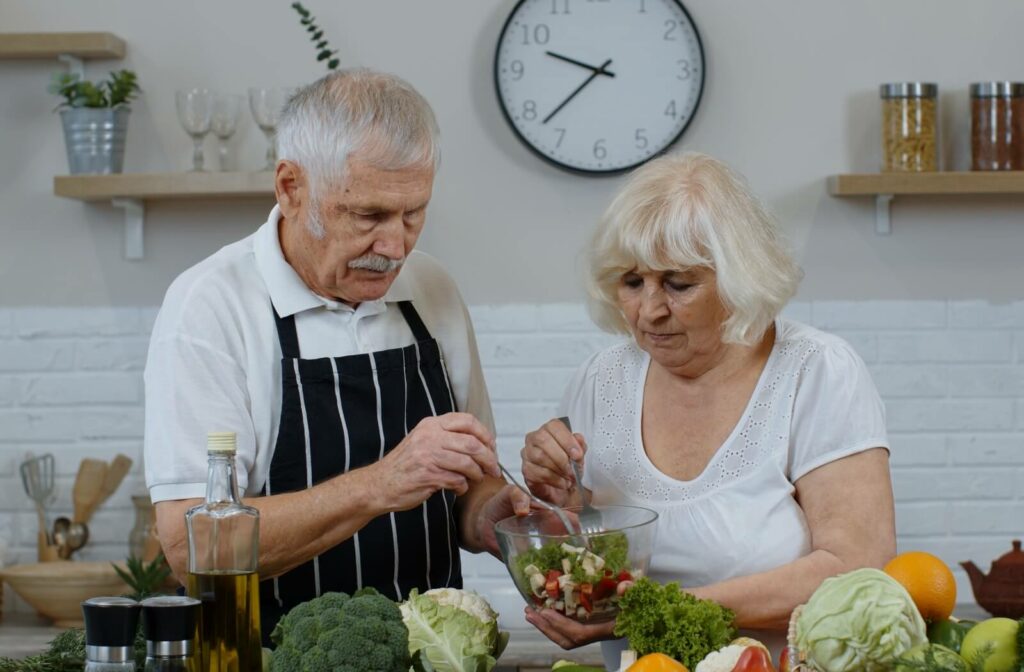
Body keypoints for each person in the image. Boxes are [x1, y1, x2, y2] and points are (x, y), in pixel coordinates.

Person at [143, 68, 528, 640]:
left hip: (430, 655)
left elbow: (468, 486)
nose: (395, 246)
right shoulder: (211, 307)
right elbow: (189, 547)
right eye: (368, 215)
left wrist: (498, 521)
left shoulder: (433, 291)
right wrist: (379, 484)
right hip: (268, 654)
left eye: (413, 213)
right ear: (291, 188)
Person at [519, 152, 895, 667]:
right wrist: (560, 500)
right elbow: (581, 563)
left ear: (740, 279)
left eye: (678, 284)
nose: (650, 310)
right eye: (632, 283)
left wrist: (657, 611)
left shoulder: (817, 371)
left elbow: (856, 565)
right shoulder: (598, 380)